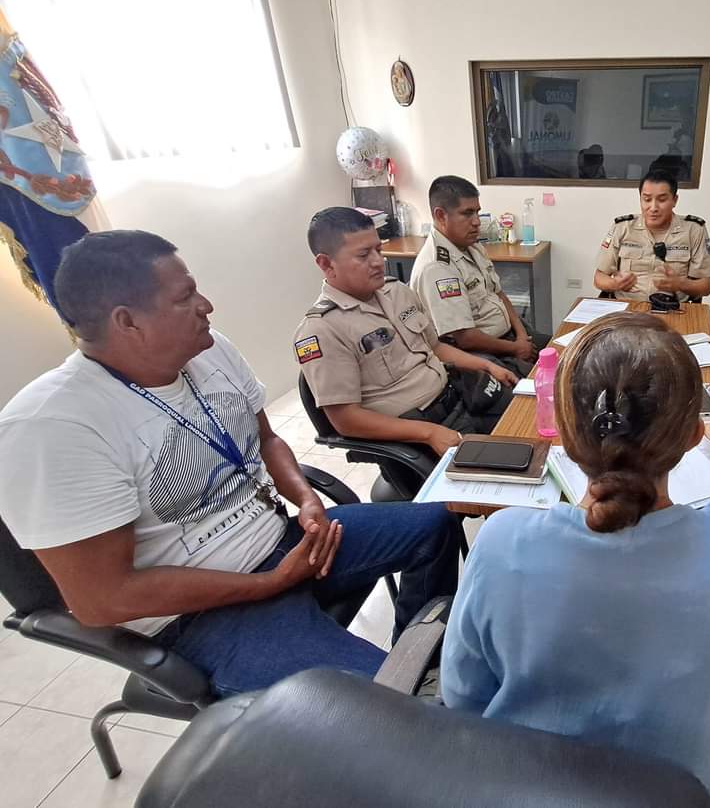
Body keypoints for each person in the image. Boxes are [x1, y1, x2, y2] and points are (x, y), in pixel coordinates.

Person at [0, 230, 463, 697]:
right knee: (393, 702)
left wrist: (306, 499)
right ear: (128, 322)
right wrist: (270, 583)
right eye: (185, 297)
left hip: (288, 546)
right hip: (203, 615)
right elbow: (102, 600)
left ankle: (419, 662)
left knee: (435, 524)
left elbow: (267, 439)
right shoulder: (54, 425)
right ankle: (405, 696)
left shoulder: (210, 349)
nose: (207, 305)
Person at [441, 312, 710, 804]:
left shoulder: (503, 543)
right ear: (692, 437)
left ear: (563, 435)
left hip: (522, 788)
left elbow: (461, 695)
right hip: (685, 792)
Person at [294, 207, 517, 458]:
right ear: (326, 264)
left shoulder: (397, 291)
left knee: (529, 422)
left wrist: (487, 367)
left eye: (378, 250)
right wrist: (428, 433)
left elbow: (436, 348)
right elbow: (346, 420)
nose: (378, 261)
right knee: (514, 464)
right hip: (417, 436)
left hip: (457, 399)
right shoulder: (321, 331)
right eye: (364, 255)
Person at [409, 176, 550, 376]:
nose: (477, 222)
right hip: (480, 354)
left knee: (564, 351)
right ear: (440, 216)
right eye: (467, 213)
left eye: (477, 212)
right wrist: (515, 348)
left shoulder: (472, 246)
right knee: (539, 381)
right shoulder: (438, 268)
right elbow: (466, 338)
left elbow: (499, 294)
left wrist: (521, 336)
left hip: (509, 337)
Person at [593, 168, 710, 303]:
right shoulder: (622, 227)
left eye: (662, 200)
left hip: (673, 309)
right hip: (627, 307)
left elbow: (706, 286)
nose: (653, 208)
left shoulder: (694, 230)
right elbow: (599, 278)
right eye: (647, 199)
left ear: (674, 200)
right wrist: (615, 284)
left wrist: (680, 284)